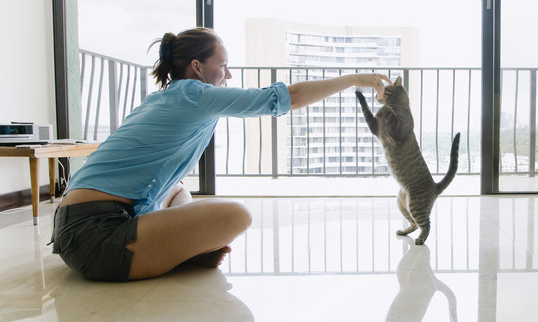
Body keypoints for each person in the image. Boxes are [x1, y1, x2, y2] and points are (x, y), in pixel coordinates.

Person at [51, 27, 388, 282]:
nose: (227, 75)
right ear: (197, 67)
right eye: (223, 66)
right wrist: (356, 78)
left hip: (74, 223)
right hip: (96, 237)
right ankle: (185, 250)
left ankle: (182, 249)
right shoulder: (197, 95)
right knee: (235, 216)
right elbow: (290, 97)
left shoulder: (165, 96)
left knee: (179, 188)